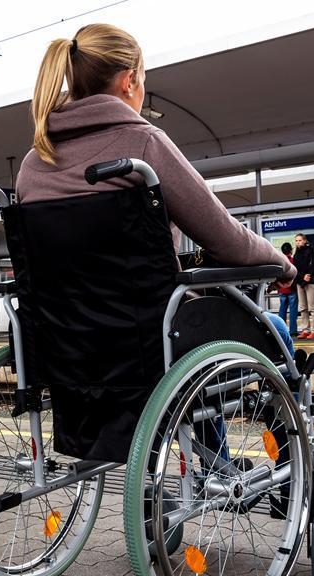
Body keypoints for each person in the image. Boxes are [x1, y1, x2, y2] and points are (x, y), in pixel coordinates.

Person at [15, 23, 297, 353]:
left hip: (65, 348)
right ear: (129, 80)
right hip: (149, 341)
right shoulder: (144, 144)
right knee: (275, 328)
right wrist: (282, 263)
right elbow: (226, 239)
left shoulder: (32, 166)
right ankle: (285, 405)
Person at [292, 233, 314, 339]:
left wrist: (308, 275)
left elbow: (313, 265)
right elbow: (295, 268)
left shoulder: (310, 251)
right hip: (300, 282)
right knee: (303, 308)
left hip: (310, 282)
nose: (298, 242)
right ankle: (305, 329)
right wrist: (302, 276)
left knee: (312, 307)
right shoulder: (296, 254)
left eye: (299, 240)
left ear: (305, 241)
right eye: (296, 241)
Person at [276, 243, 298, 338]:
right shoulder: (293, 260)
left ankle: (281, 330)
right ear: (291, 250)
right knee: (293, 311)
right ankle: (293, 331)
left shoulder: (279, 261)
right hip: (292, 289)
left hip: (281, 289)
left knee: (282, 310)